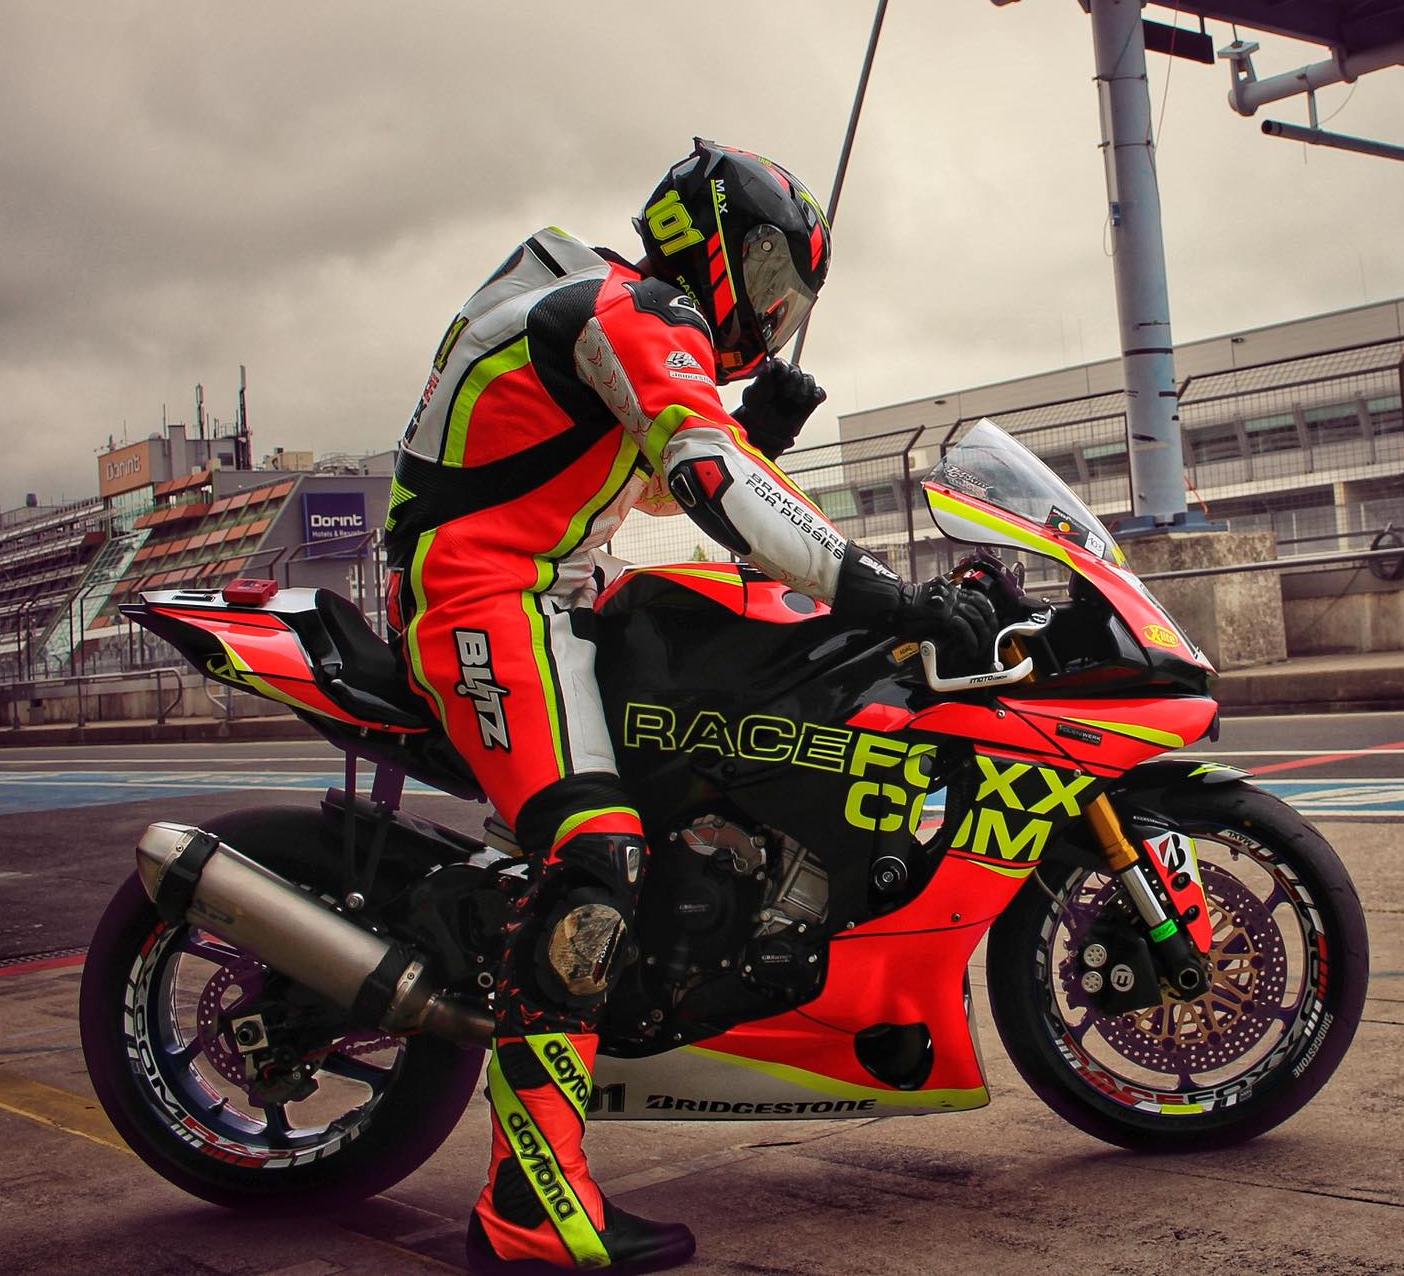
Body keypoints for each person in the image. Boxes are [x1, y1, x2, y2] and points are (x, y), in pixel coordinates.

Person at [384, 138, 997, 1274]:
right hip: (480, 598)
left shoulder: (618, 311)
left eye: (788, 292)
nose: (772, 309)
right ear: (711, 238)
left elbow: (659, 479)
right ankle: (527, 1204)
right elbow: (709, 480)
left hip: (551, 591)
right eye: (768, 275)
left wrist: (758, 433)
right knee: (595, 848)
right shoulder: (629, 306)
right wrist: (891, 595)